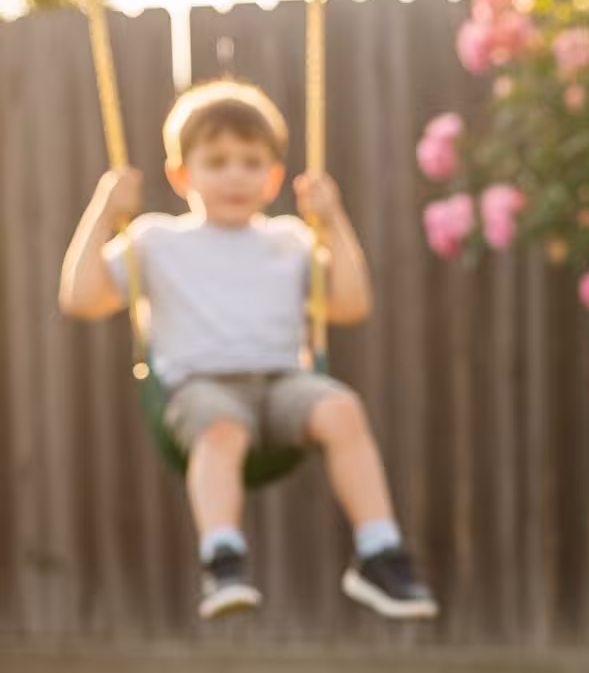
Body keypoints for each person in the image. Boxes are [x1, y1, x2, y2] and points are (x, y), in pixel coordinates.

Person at [58, 79, 438, 623]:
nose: (235, 173)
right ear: (180, 175)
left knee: (341, 408)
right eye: (216, 161)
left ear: (274, 177)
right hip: (199, 388)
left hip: (284, 385)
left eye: (251, 161)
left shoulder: (290, 239)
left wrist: (333, 222)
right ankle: (224, 559)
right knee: (222, 428)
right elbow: (81, 298)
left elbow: (350, 304)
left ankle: (378, 553)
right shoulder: (156, 240)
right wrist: (103, 207)